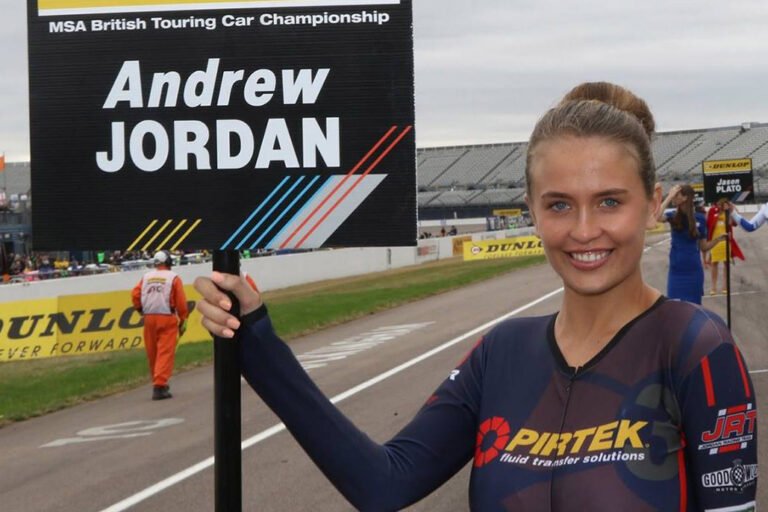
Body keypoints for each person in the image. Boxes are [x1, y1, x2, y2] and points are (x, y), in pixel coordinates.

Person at [194, 82, 757, 510]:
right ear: (533, 210)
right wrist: (257, 341)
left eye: (610, 201)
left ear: (653, 202)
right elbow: (382, 483)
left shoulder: (693, 347)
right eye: (559, 204)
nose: (584, 230)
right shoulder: (501, 353)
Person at [132, 250, 189, 400]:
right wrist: (183, 318)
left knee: (153, 352)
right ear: (168, 262)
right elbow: (181, 301)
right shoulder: (173, 278)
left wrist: (140, 309)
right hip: (166, 317)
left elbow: (135, 295)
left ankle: (157, 381)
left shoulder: (146, 277)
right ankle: (160, 384)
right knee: (165, 352)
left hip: (149, 318)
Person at [657, 184, 725, 304]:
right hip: (676, 272)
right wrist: (668, 197)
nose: (673, 197)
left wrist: (718, 239)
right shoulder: (673, 216)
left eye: (676, 195)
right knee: (675, 309)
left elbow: (704, 247)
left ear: (685, 198)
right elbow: (656, 217)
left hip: (694, 272)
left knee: (694, 311)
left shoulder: (700, 218)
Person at [705, 198, 744, 295]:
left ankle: (724, 286)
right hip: (715, 241)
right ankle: (713, 287)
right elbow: (707, 222)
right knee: (714, 264)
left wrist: (732, 209)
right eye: (724, 204)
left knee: (726, 264)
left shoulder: (728, 214)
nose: (725, 206)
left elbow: (735, 223)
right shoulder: (713, 211)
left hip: (726, 242)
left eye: (727, 204)